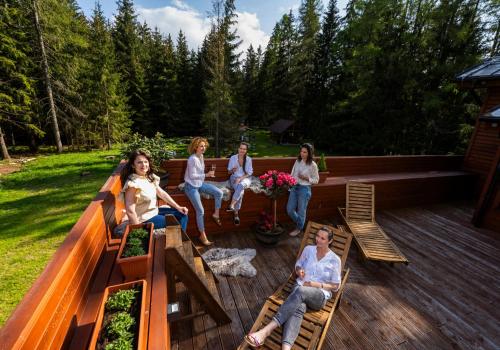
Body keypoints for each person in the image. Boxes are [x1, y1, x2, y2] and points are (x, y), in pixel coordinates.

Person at [244, 226, 341, 349]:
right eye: (317, 236)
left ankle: (266, 330)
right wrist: (299, 270)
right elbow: (299, 264)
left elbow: (336, 286)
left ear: (330, 241)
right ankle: (286, 347)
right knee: (299, 307)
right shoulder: (308, 249)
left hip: (318, 295)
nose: (318, 240)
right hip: (300, 287)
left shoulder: (335, 259)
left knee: (300, 291)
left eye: (322, 238)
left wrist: (315, 285)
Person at [120, 150, 189, 232]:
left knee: (182, 215)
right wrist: (138, 230)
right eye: (139, 162)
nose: (144, 165)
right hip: (144, 218)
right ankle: (179, 242)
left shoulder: (149, 177)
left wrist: (178, 207)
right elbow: (130, 210)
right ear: (133, 165)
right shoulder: (133, 184)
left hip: (154, 212)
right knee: (173, 222)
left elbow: (161, 193)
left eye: (146, 162)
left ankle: (179, 240)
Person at [184, 137, 223, 246]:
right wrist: (207, 174)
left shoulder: (201, 156)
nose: (203, 148)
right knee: (200, 211)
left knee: (219, 192)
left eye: (204, 146)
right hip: (191, 187)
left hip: (199, 184)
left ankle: (216, 214)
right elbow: (192, 176)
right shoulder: (192, 159)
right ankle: (202, 235)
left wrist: (206, 175)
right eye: (201, 146)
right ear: (196, 147)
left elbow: (199, 174)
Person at [287, 143, 319, 237]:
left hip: (304, 189)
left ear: (309, 153)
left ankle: (299, 228)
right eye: (301, 151)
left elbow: (316, 180)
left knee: (301, 210)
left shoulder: (313, 165)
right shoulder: (298, 161)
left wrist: (306, 178)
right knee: (289, 209)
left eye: (305, 152)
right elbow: (292, 173)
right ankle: (301, 223)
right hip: (294, 186)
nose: (302, 153)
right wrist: (289, 181)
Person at [226, 142, 253, 225]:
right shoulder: (233, 158)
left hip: (245, 178)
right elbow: (229, 172)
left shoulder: (248, 159)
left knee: (241, 185)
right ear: (238, 149)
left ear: (246, 150)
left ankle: (232, 205)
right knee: (241, 190)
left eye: (244, 149)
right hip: (234, 178)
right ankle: (236, 214)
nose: (242, 150)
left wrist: (240, 178)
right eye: (241, 148)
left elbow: (249, 172)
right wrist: (233, 170)